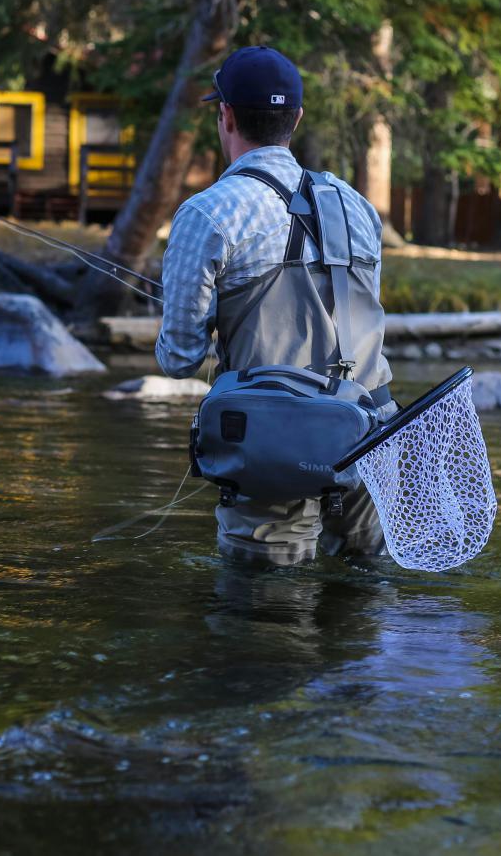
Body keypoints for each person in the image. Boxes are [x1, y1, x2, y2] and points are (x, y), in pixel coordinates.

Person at [155, 46, 394, 566]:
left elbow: (179, 358)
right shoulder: (357, 205)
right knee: (363, 598)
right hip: (373, 435)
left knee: (265, 606)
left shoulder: (208, 213)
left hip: (275, 445)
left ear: (226, 115)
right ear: (297, 118)